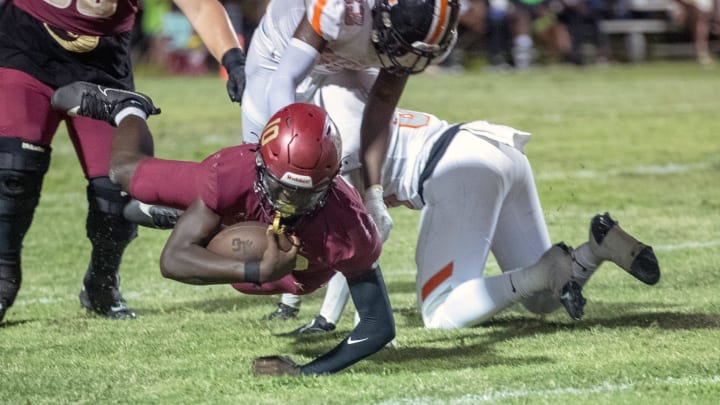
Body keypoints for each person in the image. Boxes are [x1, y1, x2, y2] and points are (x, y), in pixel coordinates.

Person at [50, 82, 396, 375]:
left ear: (331, 181)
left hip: (295, 271)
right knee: (124, 173)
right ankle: (129, 109)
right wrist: (256, 268)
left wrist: (306, 371)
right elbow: (172, 261)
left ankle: (196, 221)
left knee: (244, 259)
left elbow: (377, 325)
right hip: (246, 212)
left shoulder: (349, 229)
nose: (290, 199)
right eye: (282, 186)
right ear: (260, 161)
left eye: (306, 191)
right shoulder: (235, 171)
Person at [283, 82, 659, 332]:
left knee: (439, 311)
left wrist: (326, 318)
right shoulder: (354, 115)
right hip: (497, 150)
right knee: (542, 302)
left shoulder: (333, 146)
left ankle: (547, 271)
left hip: (460, 168)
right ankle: (598, 247)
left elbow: (365, 237)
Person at [0, 0, 245, 323]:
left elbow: (198, 5)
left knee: (117, 189)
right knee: (13, 171)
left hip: (103, 65)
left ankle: (102, 281)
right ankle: (3, 277)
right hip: (26, 46)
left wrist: (234, 59)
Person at [241, 0, 461, 319]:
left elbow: (383, 102)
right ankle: (287, 291)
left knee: (348, 159)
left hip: (351, 58)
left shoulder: (415, 26)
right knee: (272, 177)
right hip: (280, 57)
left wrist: (374, 193)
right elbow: (284, 81)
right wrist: (291, 155)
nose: (406, 61)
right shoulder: (339, 7)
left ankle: (327, 293)